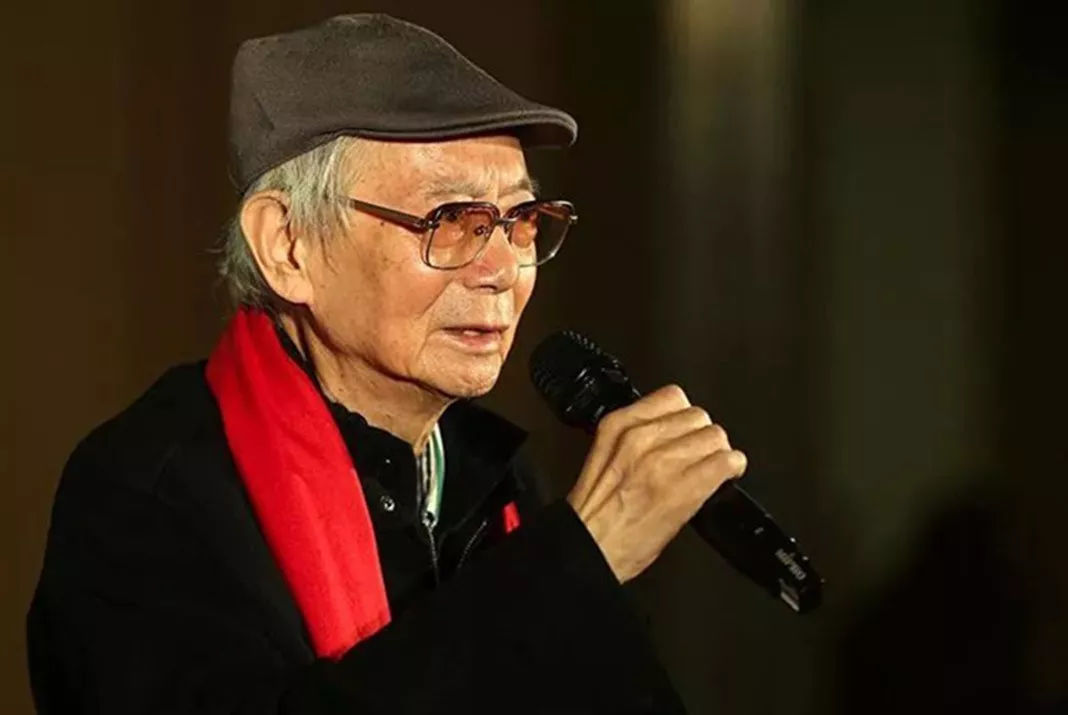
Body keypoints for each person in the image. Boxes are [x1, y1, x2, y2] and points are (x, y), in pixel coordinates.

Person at [26, 14, 747, 714]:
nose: (502, 270)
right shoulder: (145, 492)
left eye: (520, 220)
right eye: (450, 220)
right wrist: (574, 566)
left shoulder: (491, 472)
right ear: (288, 246)